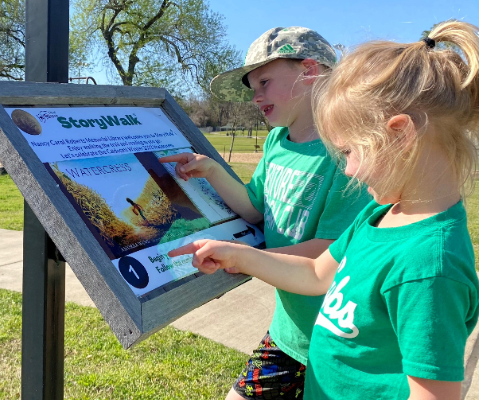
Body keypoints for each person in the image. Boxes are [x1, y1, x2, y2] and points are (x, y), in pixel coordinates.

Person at [169, 20, 479, 399]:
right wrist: (237, 255)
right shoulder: (378, 217)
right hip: (299, 341)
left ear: (399, 136)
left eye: (349, 152)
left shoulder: (429, 269)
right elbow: (318, 272)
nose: (346, 168)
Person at [159, 27, 371, 399]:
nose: (255, 97)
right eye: (252, 87)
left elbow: (330, 251)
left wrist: (247, 259)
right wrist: (210, 169)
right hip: (291, 329)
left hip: (346, 337)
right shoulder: (276, 141)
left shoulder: (347, 153)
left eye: (265, 82)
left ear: (309, 71)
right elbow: (254, 207)